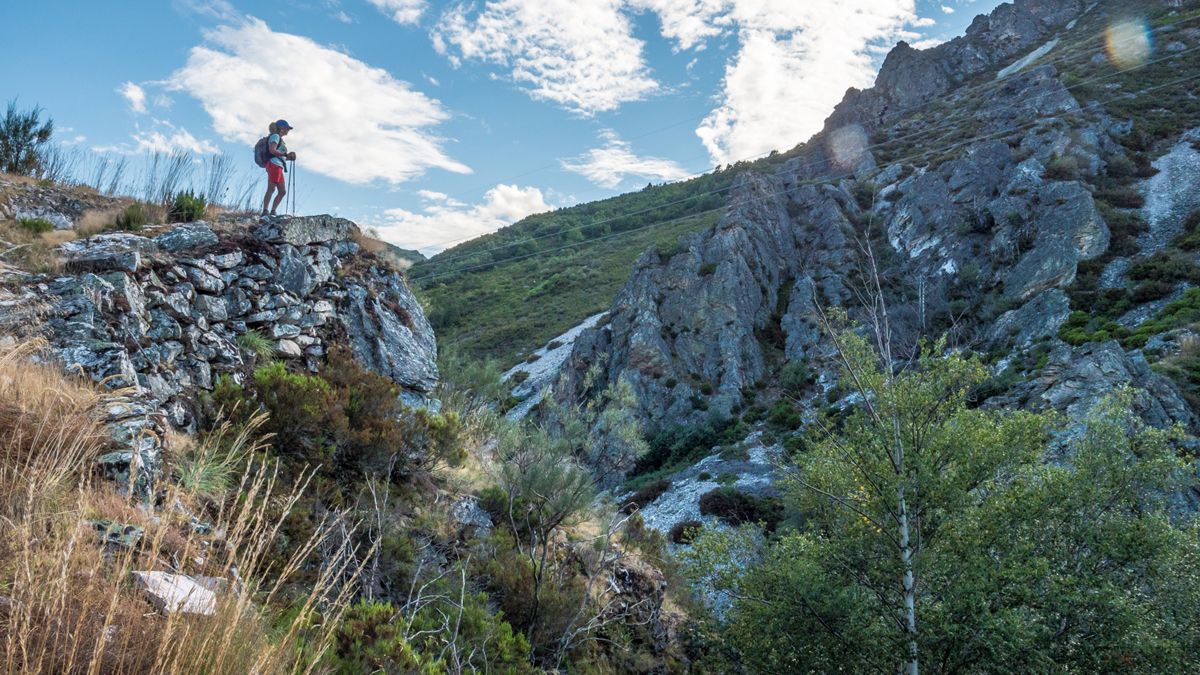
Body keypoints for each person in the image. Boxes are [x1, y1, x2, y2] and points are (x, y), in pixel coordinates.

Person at [261, 119, 296, 217]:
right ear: (282, 128)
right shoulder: (275, 136)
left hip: (278, 166)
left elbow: (279, 156)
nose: (288, 130)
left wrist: (289, 157)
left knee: (282, 191)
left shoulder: (279, 139)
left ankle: (272, 211)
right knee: (271, 188)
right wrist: (285, 154)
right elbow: (272, 150)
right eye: (287, 128)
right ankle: (265, 211)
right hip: (274, 165)